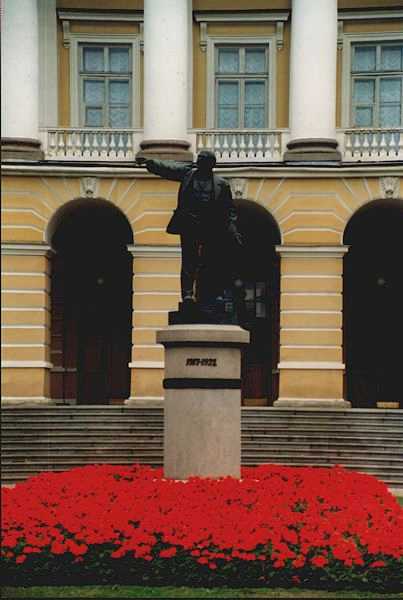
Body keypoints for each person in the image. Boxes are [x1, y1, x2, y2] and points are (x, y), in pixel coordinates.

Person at [137, 150, 242, 310]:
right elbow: (169, 168)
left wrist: (232, 229)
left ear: (211, 164)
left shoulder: (222, 184)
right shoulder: (188, 175)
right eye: (198, 160)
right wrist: (150, 163)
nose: (198, 163)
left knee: (210, 262)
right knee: (189, 262)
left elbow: (229, 210)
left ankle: (207, 295)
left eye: (202, 160)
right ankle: (187, 295)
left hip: (211, 227)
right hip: (190, 225)